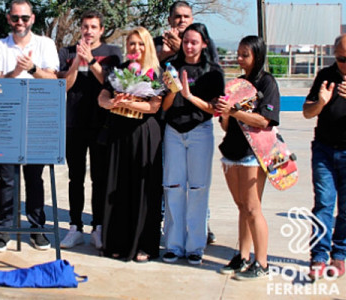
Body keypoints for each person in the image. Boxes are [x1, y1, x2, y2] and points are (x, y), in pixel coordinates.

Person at [0, 0, 59, 252]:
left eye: (24, 18)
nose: (20, 22)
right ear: (8, 19)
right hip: (6, 120)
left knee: (34, 178)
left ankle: (37, 229)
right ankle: (4, 230)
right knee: (7, 179)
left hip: (37, 119)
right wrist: (15, 71)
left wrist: (33, 68)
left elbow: (52, 80)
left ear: (33, 19)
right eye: (15, 18)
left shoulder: (45, 44)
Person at [154, 0, 219, 245]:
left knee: (198, 182)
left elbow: (212, 73)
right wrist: (170, 52)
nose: (182, 20)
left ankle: (202, 226)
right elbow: (150, 69)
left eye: (187, 16)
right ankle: (170, 225)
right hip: (167, 121)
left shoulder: (205, 44)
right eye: (178, 16)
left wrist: (184, 47)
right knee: (171, 180)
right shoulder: (159, 43)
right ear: (170, 20)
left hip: (198, 124)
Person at [97, 27, 164, 262]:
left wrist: (130, 103)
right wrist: (111, 102)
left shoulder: (155, 73)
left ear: (147, 46)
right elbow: (102, 96)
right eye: (132, 44)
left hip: (144, 134)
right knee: (118, 186)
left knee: (143, 188)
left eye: (140, 44)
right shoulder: (120, 71)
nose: (135, 48)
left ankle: (144, 244)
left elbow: (154, 106)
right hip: (119, 134)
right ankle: (117, 242)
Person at [216, 36, 279, 280]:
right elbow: (225, 125)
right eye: (239, 54)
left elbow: (264, 121)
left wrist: (235, 111)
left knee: (253, 208)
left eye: (245, 55)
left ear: (257, 55)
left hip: (254, 154)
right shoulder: (237, 83)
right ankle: (242, 256)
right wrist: (225, 113)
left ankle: (261, 262)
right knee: (242, 207)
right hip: (231, 153)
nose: (240, 59)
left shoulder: (268, 83)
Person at [57, 10, 122, 249]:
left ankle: (99, 226)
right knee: (75, 177)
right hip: (74, 122)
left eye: (93, 27)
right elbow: (63, 86)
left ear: (101, 30)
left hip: (103, 124)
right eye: (85, 26)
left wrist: (92, 60)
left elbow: (113, 83)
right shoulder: (67, 52)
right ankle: (75, 226)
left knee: (100, 178)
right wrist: (77, 62)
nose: (88, 31)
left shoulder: (113, 53)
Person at [303, 33, 346, 280]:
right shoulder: (325, 75)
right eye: (341, 59)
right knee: (324, 202)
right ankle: (319, 256)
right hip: (324, 149)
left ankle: (340, 255)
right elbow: (306, 112)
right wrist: (320, 103)